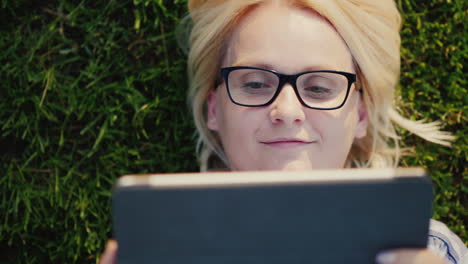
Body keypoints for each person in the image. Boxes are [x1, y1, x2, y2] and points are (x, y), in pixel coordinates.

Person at [100, 0, 467, 263]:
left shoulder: (428, 250)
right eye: (256, 84)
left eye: (319, 88)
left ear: (360, 114)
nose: (287, 111)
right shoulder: (163, 250)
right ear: (214, 108)